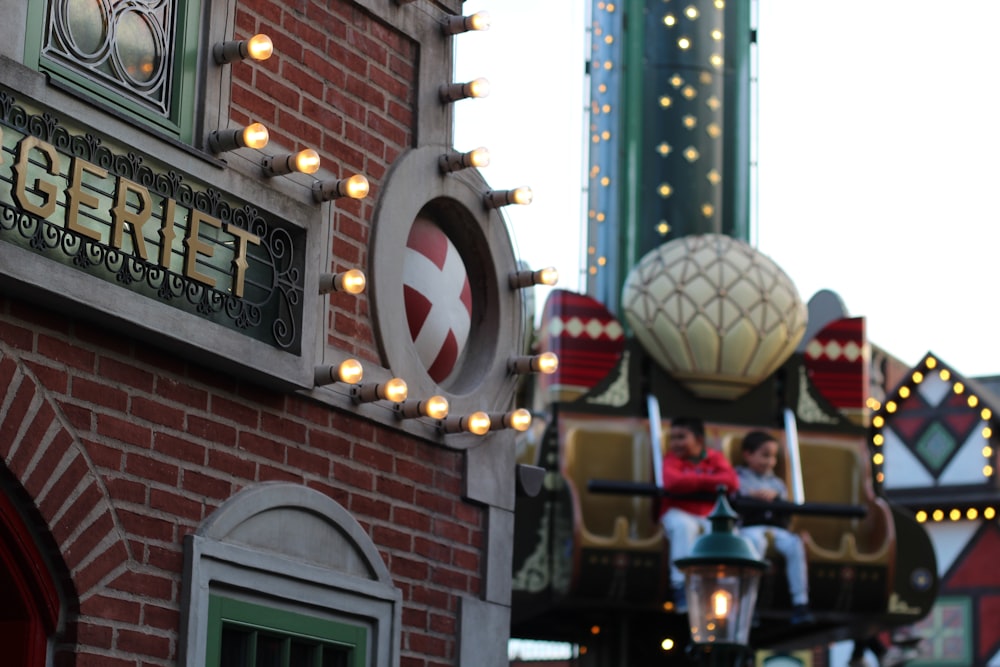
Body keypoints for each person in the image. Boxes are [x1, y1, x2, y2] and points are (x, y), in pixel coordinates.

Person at [659, 417, 739, 612]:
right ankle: (680, 587)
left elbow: (731, 482)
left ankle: (726, 591)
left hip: (707, 514)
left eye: (681, 437)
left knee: (727, 534)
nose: (676, 443)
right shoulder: (671, 459)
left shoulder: (715, 457)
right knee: (684, 528)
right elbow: (673, 482)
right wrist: (709, 481)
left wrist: (693, 480)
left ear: (699, 440)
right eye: (673, 438)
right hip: (677, 512)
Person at [734, 430, 814, 625]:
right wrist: (752, 498)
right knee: (755, 545)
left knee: (795, 544)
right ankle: (749, 604)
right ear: (748, 454)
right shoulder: (738, 477)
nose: (769, 462)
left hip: (775, 529)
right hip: (750, 528)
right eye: (764, 455)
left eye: (773, 457)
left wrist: (776, 499)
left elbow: (786, 512)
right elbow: (734, 500)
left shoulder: (777, 484)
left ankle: (800, 602)